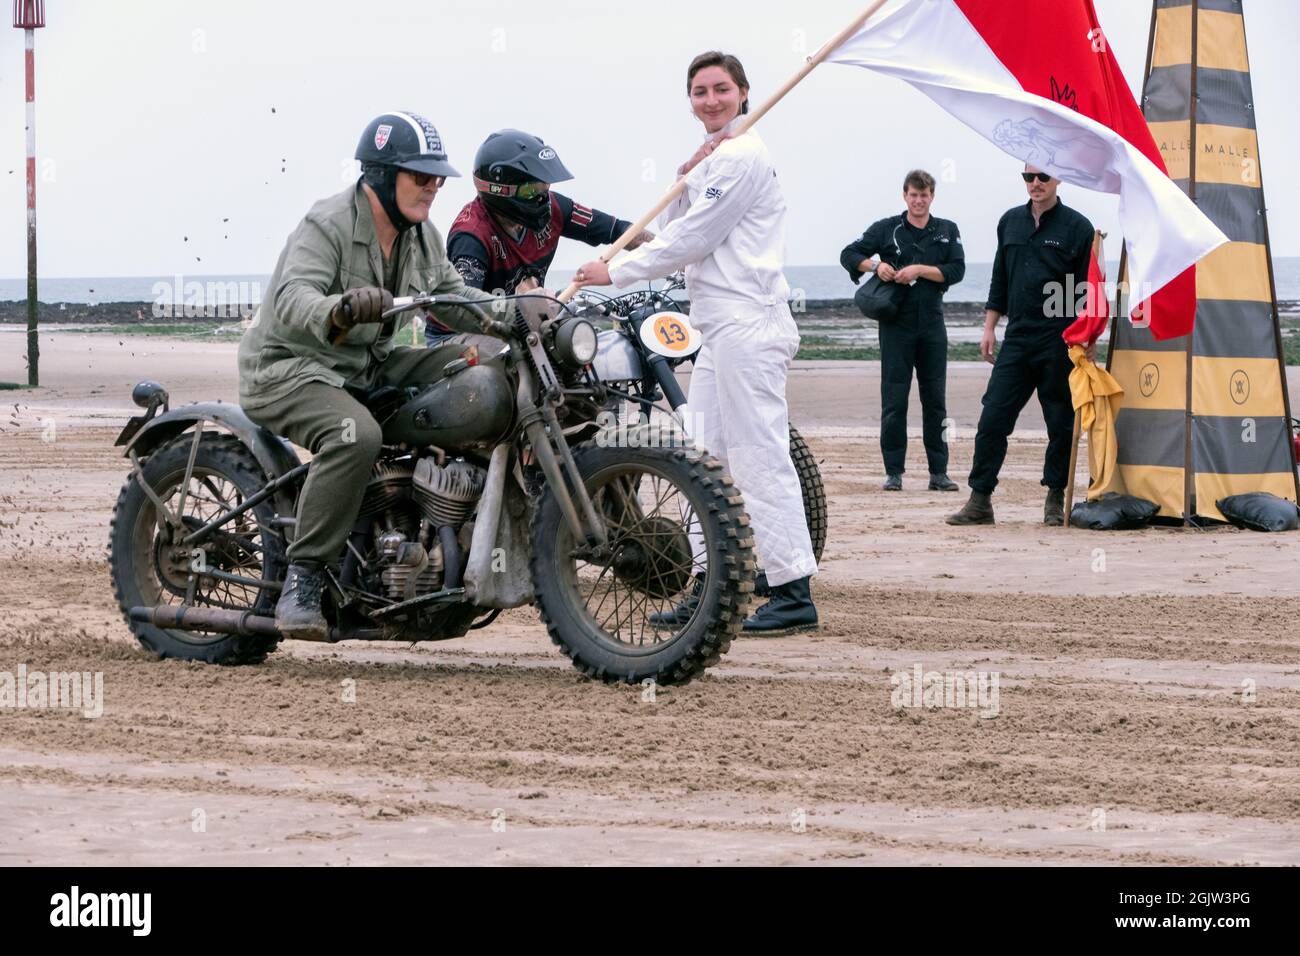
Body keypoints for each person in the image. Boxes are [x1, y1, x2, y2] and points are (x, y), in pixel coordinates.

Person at [573, 50, 818, 634]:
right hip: (718, 327)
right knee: (704, 458)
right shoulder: (718, 158)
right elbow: (685, 218)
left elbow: (693, 238)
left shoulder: (745, 155)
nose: (710, 100)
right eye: (700, 91)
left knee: (759, 455)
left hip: (749, 323)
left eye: (721, 89)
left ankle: (792, 592)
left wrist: (620, 269)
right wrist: (688, 173)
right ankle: (713, 584)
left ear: (743, 92)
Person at [237, 111, 498, 639]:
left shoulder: (421, 237)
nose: (434, 186)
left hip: (365, 363)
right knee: (357, 435)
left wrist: (517, 313)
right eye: (420, 176)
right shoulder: (328, 223)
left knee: (479, 363)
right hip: (290, 367)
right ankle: (302, 580)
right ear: (381, 175)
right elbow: (292, 298)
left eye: (438, 176)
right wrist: (339, 310)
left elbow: (457, 298)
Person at [947, 164, 1095, 527]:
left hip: (1058, 339)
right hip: (1017, 338)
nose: (1035, 184)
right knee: (993, 419)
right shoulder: (1009, 222)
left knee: (1060, 424)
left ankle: (1054, 497)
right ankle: (980, 500)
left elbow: (1086, 291)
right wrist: (989, 327)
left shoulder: (1079, 228)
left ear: (1058, 178)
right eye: (1028, 177)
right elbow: (1001, 276)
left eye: (1043, 177)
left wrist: (1086, 339)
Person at [425, 129, 652, 347]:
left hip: (525, 323)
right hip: (460, 336)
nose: (542, 197)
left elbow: (619, 230)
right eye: (530, 190)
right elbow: (468, 311)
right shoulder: (472, 235)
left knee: (590, 345)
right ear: (500, 190)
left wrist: (665, 250)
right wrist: (524, 306)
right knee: (541, 352)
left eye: (545, 186)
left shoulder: (554, 207)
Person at [840, 169, 964, 492]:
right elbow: (849, 254)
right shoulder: (887, 228)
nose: (919, 200)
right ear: (905, 195)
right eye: (913, 195)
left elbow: (957, 269)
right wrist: (874, 266)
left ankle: (939, 472)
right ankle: (893, 472)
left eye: (924, 195)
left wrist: (920, 270)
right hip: (896, 324)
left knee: (935, 400)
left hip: (933, 324)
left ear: (932, 196)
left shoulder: (947, 230)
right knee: (894, 400)